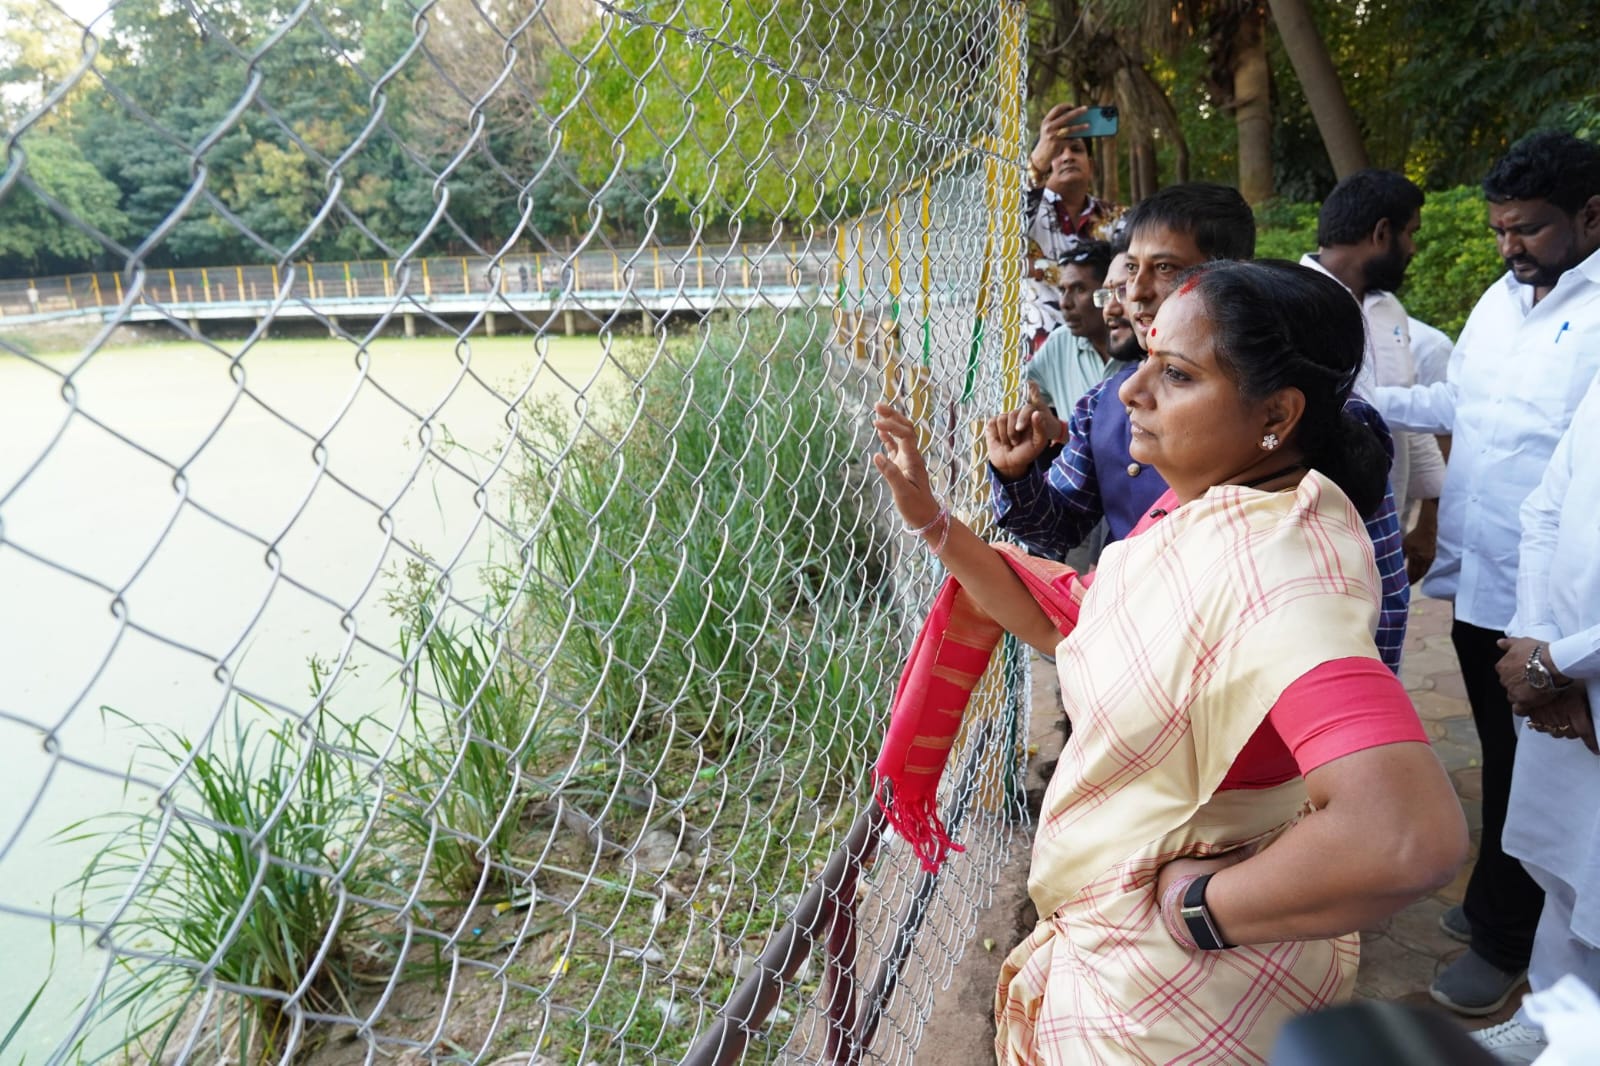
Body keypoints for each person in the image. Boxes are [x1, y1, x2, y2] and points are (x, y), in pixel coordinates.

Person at [871, 259, 1467, 1063]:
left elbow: (1405, 834)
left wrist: (1201, 909)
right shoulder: (1207, 509)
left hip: (1174, 1000)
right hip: (1150, 972)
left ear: (1277, 415)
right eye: (1147, 357)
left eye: (1177, 375)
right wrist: (936, 524)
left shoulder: (1277, 566)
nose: (1131, 392)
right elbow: (1083, 625)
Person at [987, 182, 1412, 672]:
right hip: (1131, 663)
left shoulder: (1329, 422)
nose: (1136, 289)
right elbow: (1056, 524)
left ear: (1228, 276)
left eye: (1165, 268)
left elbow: (1379, 591)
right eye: (1131, 265)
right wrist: (1018, 478)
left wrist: (1362, 694)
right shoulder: (1104, 405)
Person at [1372, 130, 1600, 1016]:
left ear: (1590, 214)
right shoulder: (1504, 300)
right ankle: (1500, 902)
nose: (1509, 249)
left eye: (1529, 231)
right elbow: (1456, 402)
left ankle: (1510, 940)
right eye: (1500, 229)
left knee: (1530, 764)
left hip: (1564, 613)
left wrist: (1559, 650)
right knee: (1506, 755)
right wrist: (1358, 397)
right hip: (1487, 580)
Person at [1465, 375, 1600, 1064]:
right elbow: (1546, 510)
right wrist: (1541, 648)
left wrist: (1562, 662)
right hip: (1566, 679)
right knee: (1565, 864)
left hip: (1578, 669)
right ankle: (1552, 1019)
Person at [1299, 169, 1446, 520]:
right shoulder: (1294, 304)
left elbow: (1406, 415)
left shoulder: (1389, 308)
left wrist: (1429, 512)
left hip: (1388, 516)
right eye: (1410, 233)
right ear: (1382, 233)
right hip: (1320, 521)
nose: (1412, 248)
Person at [1022, 103, 1125, 352]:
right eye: (1057, 151)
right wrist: (1035, 163)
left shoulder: (1118, 218)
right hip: (1035, 353)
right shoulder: (1026, 209)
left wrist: (1039, 268)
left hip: (1104, 349)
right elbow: (997, 222)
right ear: (1046, 163)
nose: (1067, 156)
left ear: (1091, 164)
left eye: (1076, 149)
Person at [1024, 240, 1114, 412]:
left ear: (1107, 292)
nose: (1065, 303)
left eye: (1079, 289)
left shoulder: (1139, 344)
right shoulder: (1059, 344)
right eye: (1062, 290)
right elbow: (1022, 392)